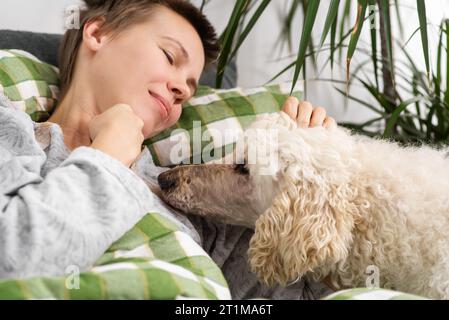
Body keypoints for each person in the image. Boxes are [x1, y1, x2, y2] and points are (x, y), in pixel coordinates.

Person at [0, 0, 336, 299]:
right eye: (169, 56)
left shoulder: (179, 190)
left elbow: (305, 291)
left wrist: (319, 180)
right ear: (98, 33)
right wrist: (108, 156)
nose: (179, 91)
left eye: (189, 90)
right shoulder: (13, 133)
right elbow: (12, 257)